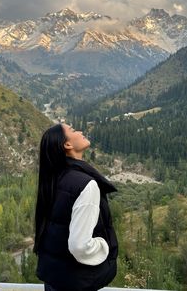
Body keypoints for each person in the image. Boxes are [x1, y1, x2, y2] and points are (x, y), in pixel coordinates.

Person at [33, 123, 118, 291]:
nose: (80, 131)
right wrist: (102, 246)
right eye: (72, 130)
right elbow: (79, 246)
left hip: (54, 278)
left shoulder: (53, 178)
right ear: (67, 145)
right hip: (76, 281)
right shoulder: (86, 184)